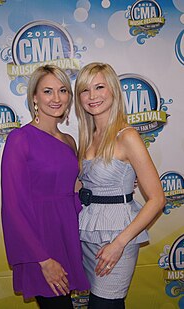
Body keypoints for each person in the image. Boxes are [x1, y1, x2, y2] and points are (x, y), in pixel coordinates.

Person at [74, 62, 165, 309]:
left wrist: (119, 244)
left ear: (113, 90)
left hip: (118, 237)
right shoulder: (87, 137)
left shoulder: (127, 136)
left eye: (99, 87)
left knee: (104, 305)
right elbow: (82, 185)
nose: (92, 96)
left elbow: (157, 199)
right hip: (89, 233)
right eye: (85, 90)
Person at [1, 65, 90, 309]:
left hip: (68, 236)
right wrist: (43, 259)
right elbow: (13, 206)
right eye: (48, 91)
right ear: (35, 98)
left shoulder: (69, 141)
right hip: (40, 243)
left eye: (63, 90)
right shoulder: (20, 139)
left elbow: (76, 188)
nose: (57, 98)